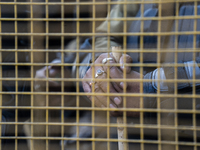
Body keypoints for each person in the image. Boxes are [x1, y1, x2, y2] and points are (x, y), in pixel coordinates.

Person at [71, 1, 200, 150]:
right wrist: (102, 67)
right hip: (133, 136)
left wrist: (151, 86)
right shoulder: (131, 4)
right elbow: (99, 40)